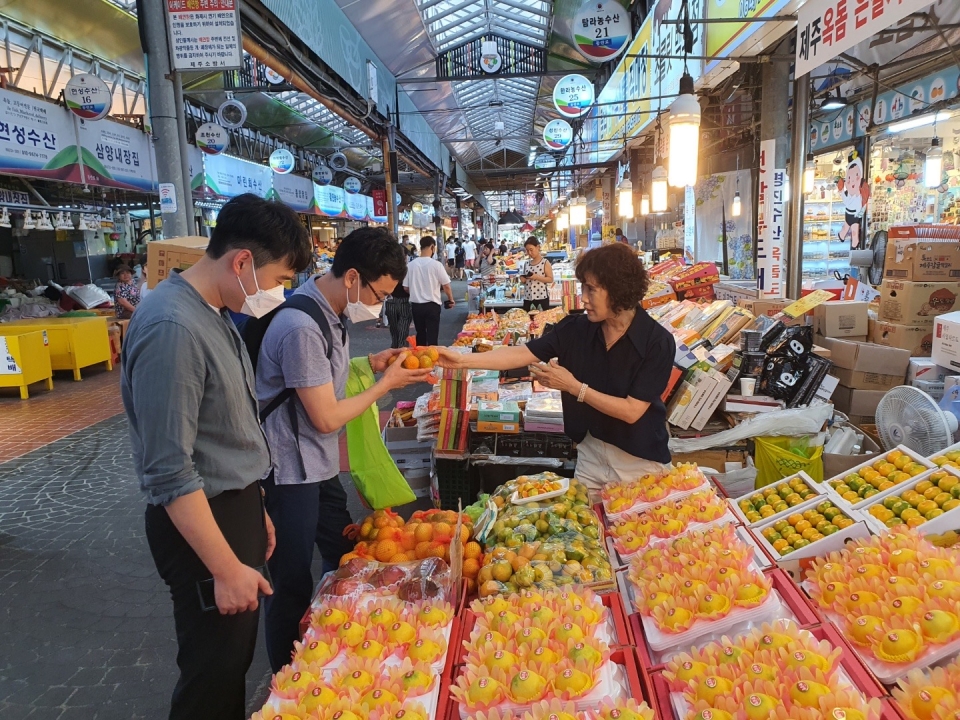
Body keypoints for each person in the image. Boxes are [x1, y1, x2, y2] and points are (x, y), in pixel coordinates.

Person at [121, 194, 312, 720]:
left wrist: (256, 509)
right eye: (276, 280)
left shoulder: (213, 311)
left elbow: (225, 432)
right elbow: (169, 469)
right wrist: (226, 566)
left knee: (230, 664)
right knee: (212, 672)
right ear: (242, 262)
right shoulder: (173, 328)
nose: (276, 293)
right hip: (203, 525)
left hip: (233, 509)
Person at [255, 227, 432, 673]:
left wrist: (367, 365)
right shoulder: (301, 326)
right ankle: (287, 679)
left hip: (319, 465)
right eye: (380, 293)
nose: (380, 305)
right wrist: (386, 385)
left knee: (345, 553)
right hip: (289, 472)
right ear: (352, 277)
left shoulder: (331, 315)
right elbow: (327, 417)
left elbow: (320, 378)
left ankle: (344, 644)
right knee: (291, 583)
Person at [438, 243, 675, 490]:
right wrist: (462, 360)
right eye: (583, 287)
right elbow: (522, 353)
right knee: (590, 525)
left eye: (591, 289)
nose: (583, 297)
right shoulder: (577, 329)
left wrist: (574, 387)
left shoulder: (656, 342)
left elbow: (631, 411)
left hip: (639, 462)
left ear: (618, 290)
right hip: (591, 453)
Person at [404, 236, 455, 346]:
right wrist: (451, 299)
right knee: (432, 335)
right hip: (432, 305)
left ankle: (420, 359)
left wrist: (416, 292)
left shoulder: (410, 265)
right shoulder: (436, 265)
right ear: (432, 247)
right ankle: (432, 360)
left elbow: (406, 287)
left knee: (420, 334)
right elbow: (446, 285)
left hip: (416, 306)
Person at [521, 237, 554, 312]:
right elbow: (525, 281)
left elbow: (550, 279)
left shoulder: (545, 262)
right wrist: (523, 280)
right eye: (527, 250)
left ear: (538, 247)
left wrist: (536, 277)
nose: (529, 253)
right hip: (528, 298)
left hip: (541, 298)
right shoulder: (526, 263)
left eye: (531, 250)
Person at [385, 282, 413, 348]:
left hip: (391, 300)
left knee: (393, 328)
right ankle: (402, 348)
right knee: (403, 327)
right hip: (405, 300)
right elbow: (406, 288)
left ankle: (394, 349)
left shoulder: (388, 271)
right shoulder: (407, 271)